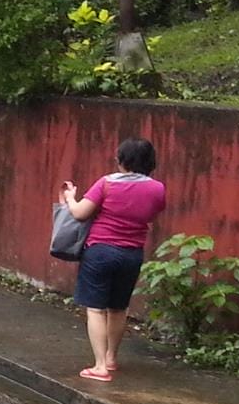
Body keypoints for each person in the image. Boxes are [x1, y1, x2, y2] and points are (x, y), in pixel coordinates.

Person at [60, 138, 166, 382]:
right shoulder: (157, 189)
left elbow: (79, 213)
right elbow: (153, 213)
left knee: (96, 309)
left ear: (121, 160)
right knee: (118, 308)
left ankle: (99, 367)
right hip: (133, 254)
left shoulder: (106, 183)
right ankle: (111, 358)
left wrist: (70, 198)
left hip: (101, 251)